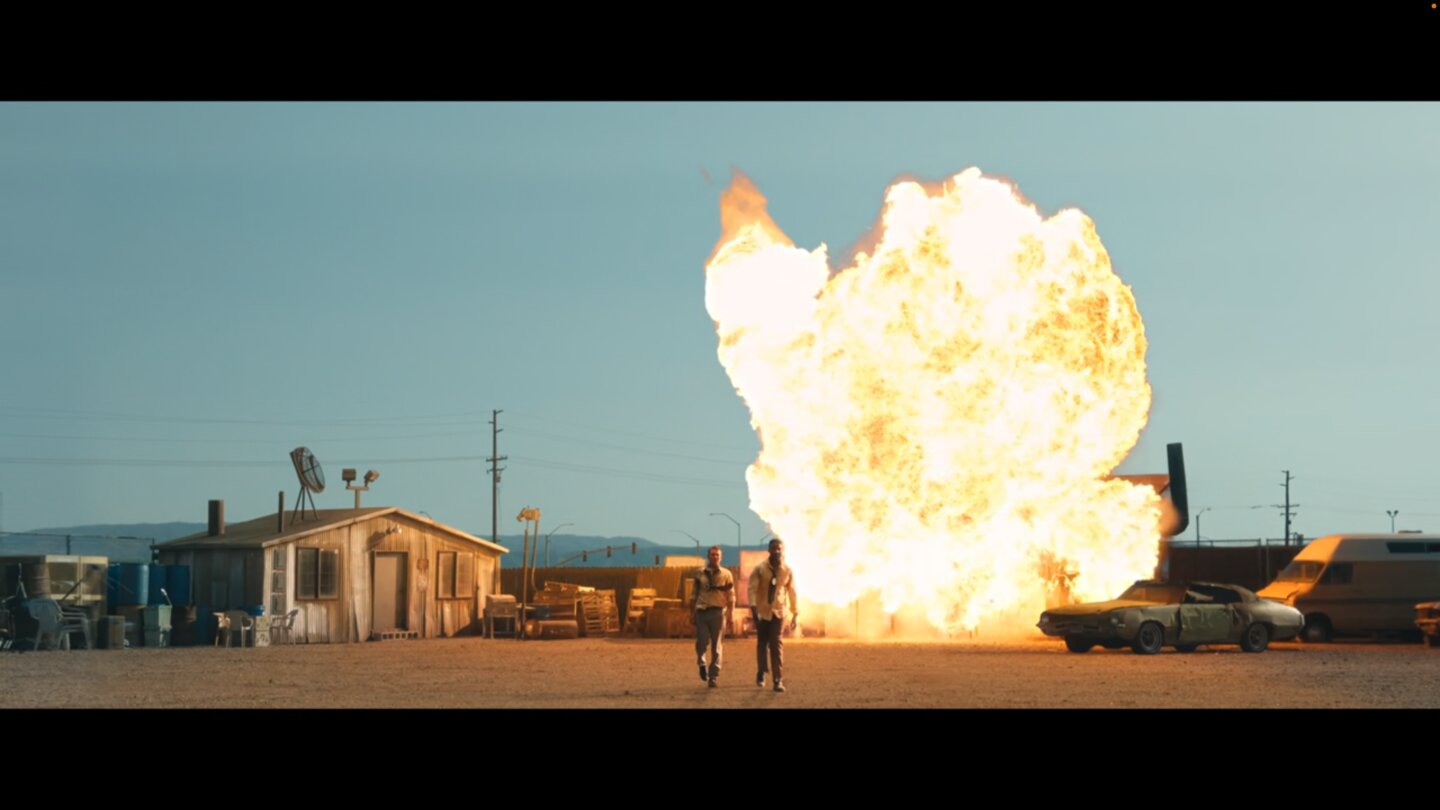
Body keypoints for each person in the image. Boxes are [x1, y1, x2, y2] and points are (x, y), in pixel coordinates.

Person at [748, 537, 797, 692]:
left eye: (779, 548)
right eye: (774, 548)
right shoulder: (760, 569)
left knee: (776, 644)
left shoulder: (787, 570)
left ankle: (778, 679)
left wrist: (795, 613)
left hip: (779, 612)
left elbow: (792, 592)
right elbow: (752, 589)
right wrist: (754, 609)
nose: (776, 551)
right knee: (762, 643)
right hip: (762, 612)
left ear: (783, 551)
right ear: (769, 550)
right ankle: (762, 671)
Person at [692, 545, 734, 688]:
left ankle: (713, 676)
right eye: (712, 554)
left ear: (721, 557)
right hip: (702, 611)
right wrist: (691, 612)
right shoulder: (699, 573)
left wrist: (731, 614)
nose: (715, 557)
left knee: (717, 646)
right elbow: (694, 594)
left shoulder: (726, 574)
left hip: (718, 612)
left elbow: (731, 596)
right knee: (702, 642)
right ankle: (701, 662)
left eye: (717, 555)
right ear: (708, 556)